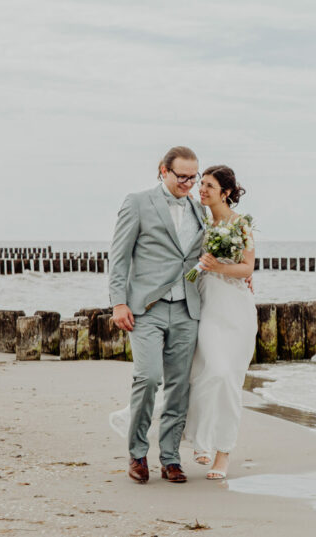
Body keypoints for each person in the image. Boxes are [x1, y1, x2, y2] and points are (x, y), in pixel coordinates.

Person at [108, 146, 206, 484]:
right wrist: (118, 302)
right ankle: (137, 455)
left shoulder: (198, 209)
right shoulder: (137, 202)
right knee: (148, 378)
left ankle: (170, 458)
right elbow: (119, 257)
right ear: (163, 171)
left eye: (193, 177)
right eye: (182, 177)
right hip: (145, 308)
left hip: (186, 308)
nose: (188, 184)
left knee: (179, 386)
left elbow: (200, 257)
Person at [183, 165, 257, 480]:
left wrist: (217, 267)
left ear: (225, 192)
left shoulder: (241, 225)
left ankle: (222, 454)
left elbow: (247, 268)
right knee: (208, 370)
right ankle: (200, 440)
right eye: (201, 183)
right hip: (207, 306)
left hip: (237, 309)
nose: (202, 189)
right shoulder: (197, 220)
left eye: (209, 185)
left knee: (229, 379)